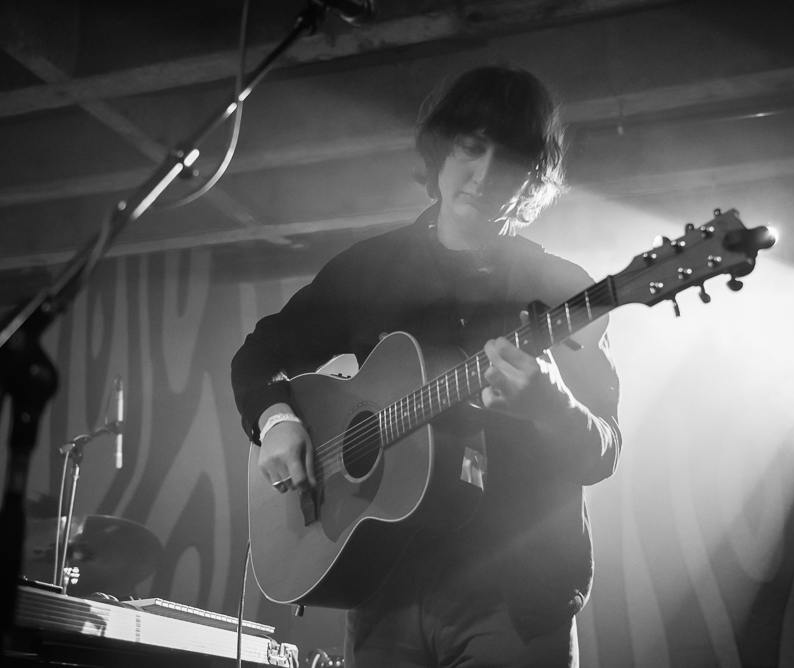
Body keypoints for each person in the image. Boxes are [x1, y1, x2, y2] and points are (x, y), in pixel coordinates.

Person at [231, 66, 621, 667]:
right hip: (380, 587)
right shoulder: (370, 270)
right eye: (471, 147)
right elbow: (259, 358)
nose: (484, 175)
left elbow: (604, 450)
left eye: (510, 158)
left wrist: (553, 407)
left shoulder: (567, 293)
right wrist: (276, 420)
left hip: (512, 599)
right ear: (442, 148)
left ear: (532, 177)